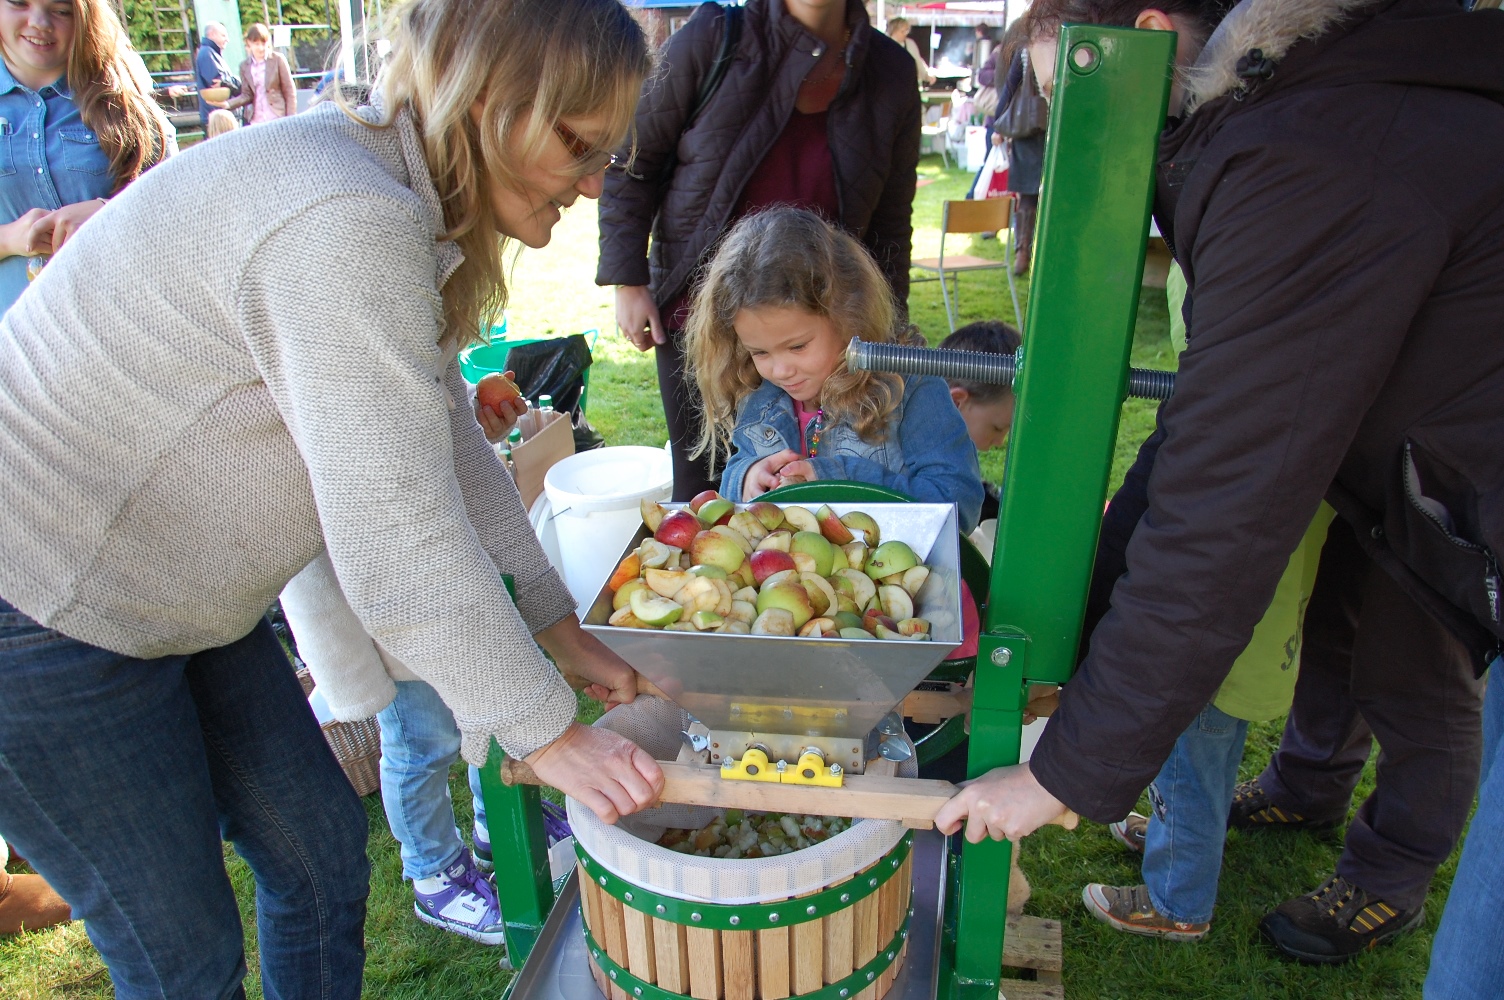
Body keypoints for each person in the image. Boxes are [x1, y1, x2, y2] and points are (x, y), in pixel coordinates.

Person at [0, 1, 661, 996]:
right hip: (44, 604)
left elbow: (443, 444)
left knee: (315, 853)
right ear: (488, 104)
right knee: (181, 954)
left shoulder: (387, 196)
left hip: (178, 598)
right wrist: (548, 733)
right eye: (580, 146)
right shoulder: (344, 216)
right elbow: (395, 542)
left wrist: (562, 631)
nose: (594, 182)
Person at [933, 0, 1504, 969]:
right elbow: (1199, 437)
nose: (1060, 139)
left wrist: (1062, 771)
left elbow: (1220, 520)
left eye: (1067, 93)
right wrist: (1070, 648)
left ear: (1146, 37)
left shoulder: (1301, 161)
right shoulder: (1317, 110)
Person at [598, 0, 921, 502]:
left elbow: (891, 224)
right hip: (703, 324)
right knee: (704, 482)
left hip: (822, 332)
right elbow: (635, 158)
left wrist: (889, 327)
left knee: (813, 483)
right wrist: (628, 278)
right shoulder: (713, 39)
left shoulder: (892, 72)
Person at [685, 206, 984, 533]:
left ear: (849, 317)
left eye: (798, 346)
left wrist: (840, 481)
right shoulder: (760, 396)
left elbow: (960, 508)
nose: (781, 370)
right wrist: (747, 478)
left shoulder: (911, 388)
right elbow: (737, 475)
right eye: (759, 352)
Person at [0, 0, 173, 315]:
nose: (39, 22)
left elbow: (181, 200)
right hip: (13, 340)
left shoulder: (125, 95)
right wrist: (11, 238)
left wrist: (109, 213)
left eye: (61, 10)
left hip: (125, 326)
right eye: (19, 3)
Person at [225, 23, 297, 125]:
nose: (261, 48)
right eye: (257, 44)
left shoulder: (278, 60)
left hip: (277, 116)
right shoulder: (244, 66)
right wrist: (227, 104)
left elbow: (289, 91)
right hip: (256, 119)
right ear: (249, 43)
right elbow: (246, 95)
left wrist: (291, 119)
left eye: (263, 44)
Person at [193, 21, 239, 127]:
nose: (227, 39)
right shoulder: (207, 54)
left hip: (218, 114)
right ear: (212, 34)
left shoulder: (211, 53)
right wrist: (239, 83)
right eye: (223, 35)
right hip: (217, 118)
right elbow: (218, 83)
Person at [885, 17, 935, 86]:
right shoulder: (884, 45)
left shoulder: (910, 44)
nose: (906, 33)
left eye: (907, 31)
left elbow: (918, 62)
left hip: (907, 83)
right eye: (902, 31)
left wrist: (926, 76)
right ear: (894, 31)